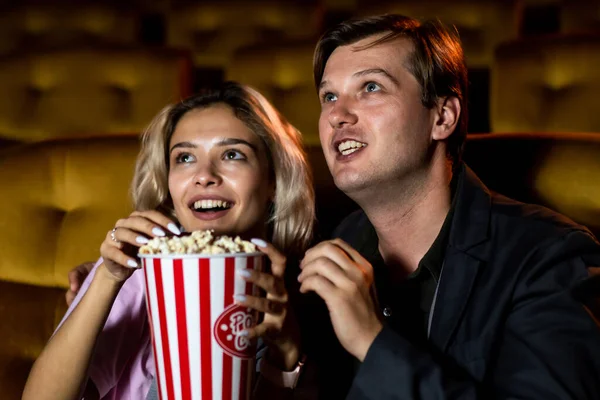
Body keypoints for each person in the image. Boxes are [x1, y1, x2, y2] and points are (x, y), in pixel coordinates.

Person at [288, 14, 600, 399]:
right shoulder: (336, 244)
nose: (337, 115)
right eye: (329, 96)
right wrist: (288, 360)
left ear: (443, 116)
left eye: (370, 87)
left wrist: (373, 342)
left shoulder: (548, 256)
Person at [22, 81, 315, 400]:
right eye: (185, 158)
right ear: (168, 182)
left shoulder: (306, 287)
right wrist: (107, 277)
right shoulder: (135, 273)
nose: (204, 175)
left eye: (232, 154)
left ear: (273, 179)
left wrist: (285, 354)